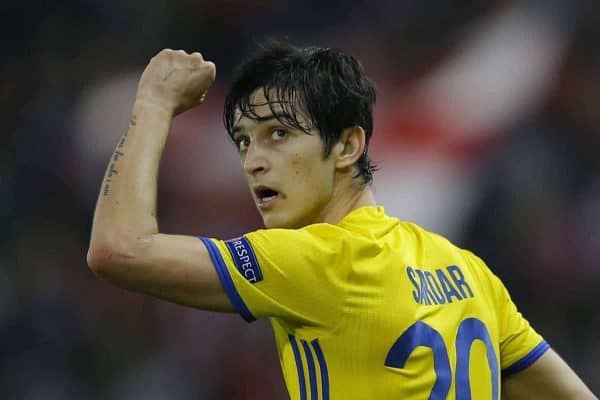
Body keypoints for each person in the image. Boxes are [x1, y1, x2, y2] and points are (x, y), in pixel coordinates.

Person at [87, 43, 596, 399]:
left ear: (349, 145)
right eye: (245, 141)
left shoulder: (321, 259)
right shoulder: (469, 272)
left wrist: (154, 103)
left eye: (279, 134)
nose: (253, 161)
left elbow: (118, 249)